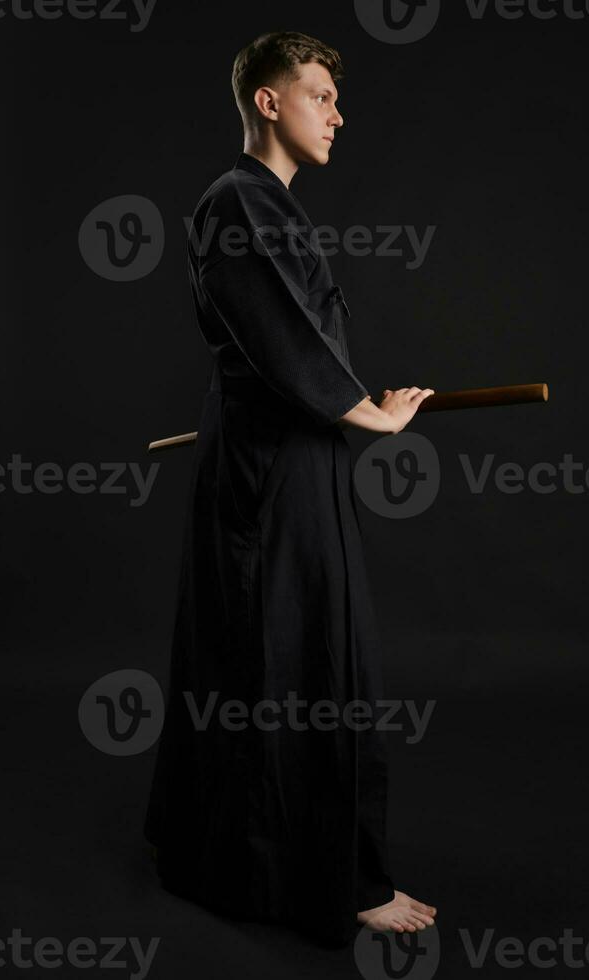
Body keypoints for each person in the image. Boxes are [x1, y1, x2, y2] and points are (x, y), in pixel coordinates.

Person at [144, 29, 437, 948]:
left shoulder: (266, 206)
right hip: (273, 477)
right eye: (319, 95)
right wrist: (368, 413)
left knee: (268, 655)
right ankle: (332, 881)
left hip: (280, 456)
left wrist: (347, 406)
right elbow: (278, 339)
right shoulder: (237, 201)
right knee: (299, 658)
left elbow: (275, 349)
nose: (337, 114)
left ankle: (236, 862)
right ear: (268, 103)